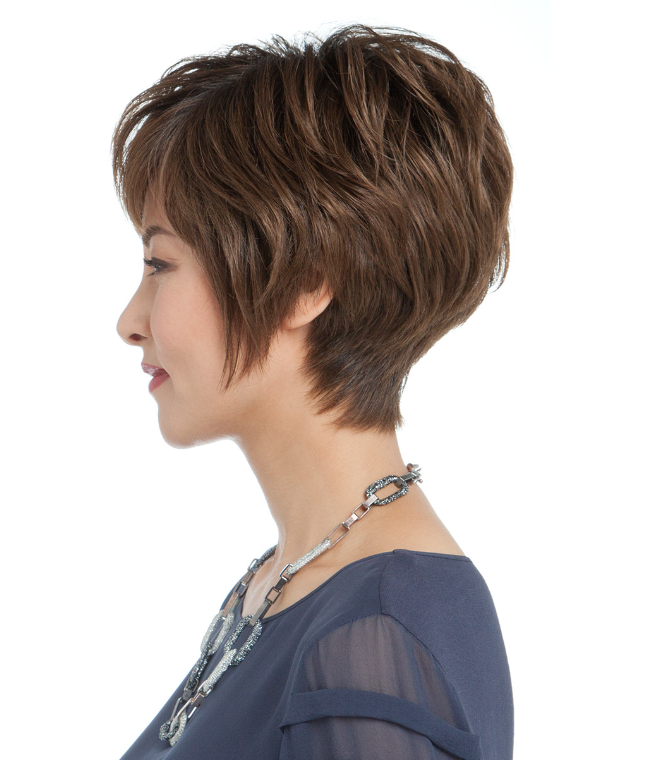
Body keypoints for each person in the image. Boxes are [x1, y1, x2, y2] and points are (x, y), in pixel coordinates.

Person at [112, 23, 514, 760]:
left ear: (304, 283)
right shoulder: (285, 591)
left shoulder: (376, 631)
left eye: (159, 264)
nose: (128, 322)